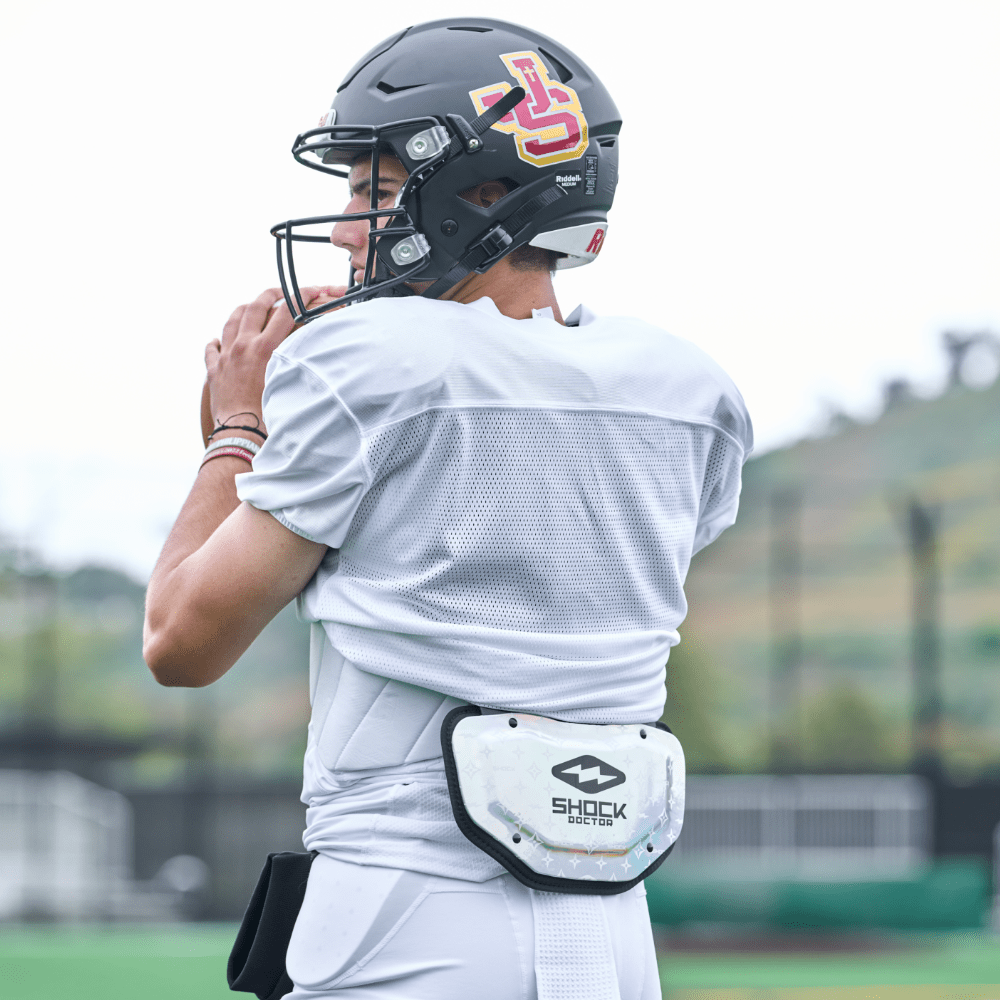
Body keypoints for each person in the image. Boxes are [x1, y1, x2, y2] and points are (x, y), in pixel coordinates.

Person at [144, 17, 752, 1000]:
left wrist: (235, 429)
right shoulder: (690, 392)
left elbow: (180, 642)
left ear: (484, 195)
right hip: (617, 931)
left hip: (404, 915)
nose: (348, 230)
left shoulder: (373, 363)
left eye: (374, 192)